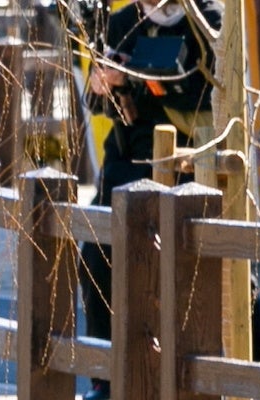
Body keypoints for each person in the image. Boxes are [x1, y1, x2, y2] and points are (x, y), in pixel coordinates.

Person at [79, 0, 217, 379]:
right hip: (128, 157)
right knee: (95, 250)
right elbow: (96, 104)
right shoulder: (121, 21)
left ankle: (235, 362)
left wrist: (133, 78)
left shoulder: (207, 19)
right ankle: (105, 371)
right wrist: (101, 84)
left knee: (205, 256)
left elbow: (201, 92)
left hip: (191, 160)